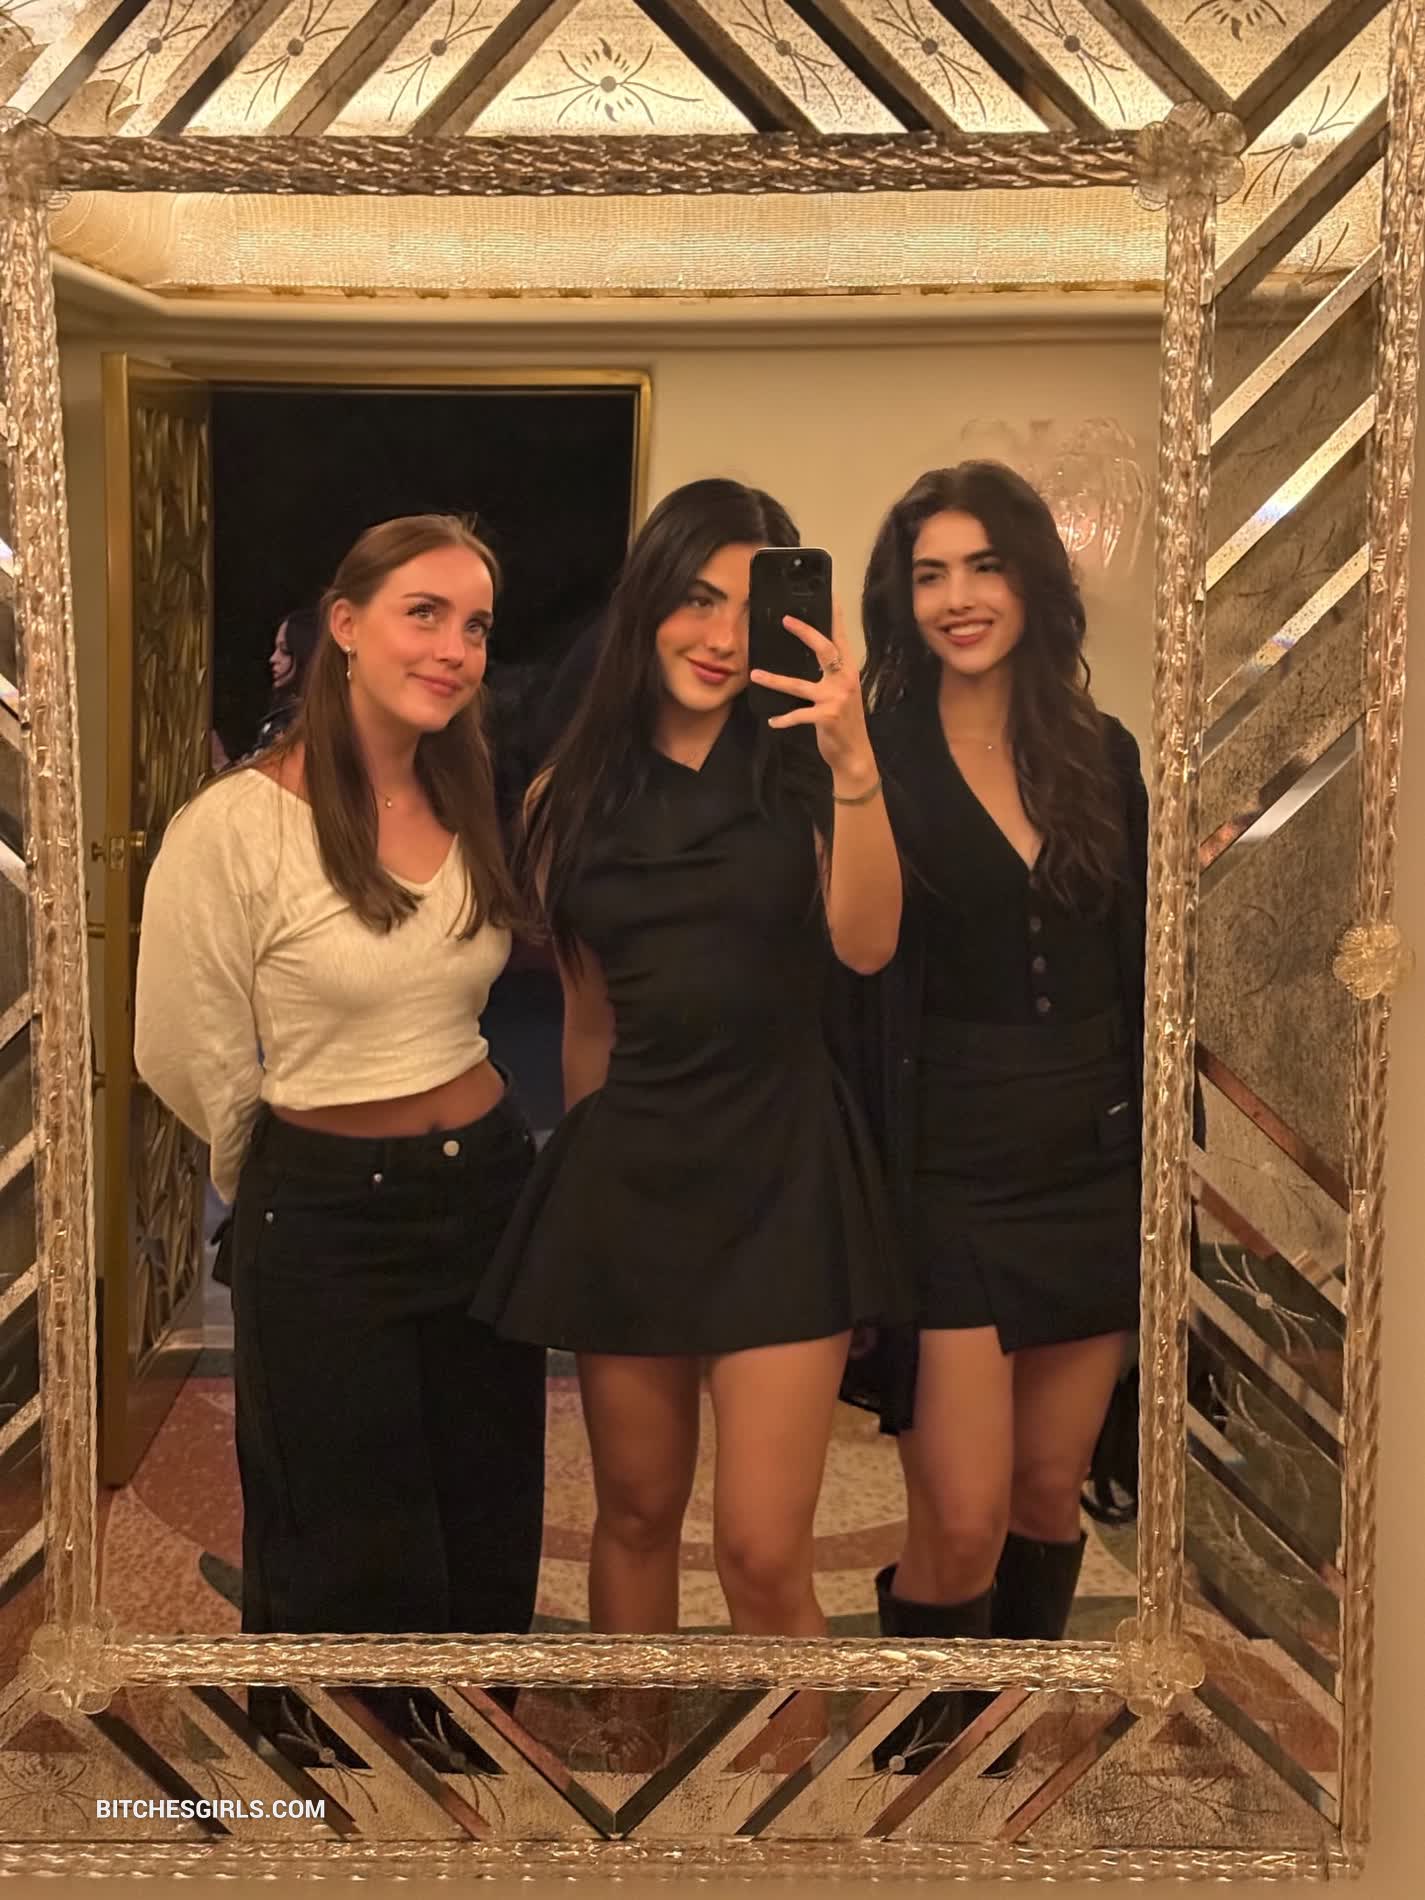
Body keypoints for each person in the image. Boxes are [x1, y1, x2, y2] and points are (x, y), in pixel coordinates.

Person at [474, 478, 906, 1653]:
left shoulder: (812, 772)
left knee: (763, 1549)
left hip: (783, 1174)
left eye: (745, 607)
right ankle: (638, 1750)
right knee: (635, 1512)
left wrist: (856, 762)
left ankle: (793, 1775)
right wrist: (595, 1192)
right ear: (648, 603)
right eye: (695, 598)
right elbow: (588, 1022)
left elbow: (869, 943)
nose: (719, 635)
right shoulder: (569, 796)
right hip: (633, 1177)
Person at [134, 515, 547, 1681]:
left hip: (487, 1194)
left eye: (476, 626)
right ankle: (341, 1773)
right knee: (343, 1530)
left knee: (484, 1506)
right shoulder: (235, 827)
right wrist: (280, 1181)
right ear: (347, 625)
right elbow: (181, 1043)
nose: (455, 648)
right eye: (425, 613)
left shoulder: (462, 794)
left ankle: (466, 1754)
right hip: (324, 1214)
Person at [844, 463, 1149, 1772]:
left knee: (1043, 1491)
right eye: (929, 574)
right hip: (950, 1169)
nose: (958, 597)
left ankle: (1003, 1741)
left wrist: (1164, 1166)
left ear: (1032, 579)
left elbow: (1139, 968)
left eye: (982, 566)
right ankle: (929, 1750)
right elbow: (855, 959)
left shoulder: (1101, 751)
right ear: (900, 599)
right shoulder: (872, 752)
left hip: (1091, 1159)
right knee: (960, 1519)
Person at [253, 605, 321, 753]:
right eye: (275, 649)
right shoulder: (284, 711)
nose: (273, 659)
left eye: (285, 651)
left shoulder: (309, 722)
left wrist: (222, 762)